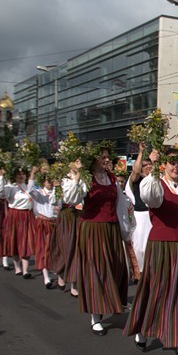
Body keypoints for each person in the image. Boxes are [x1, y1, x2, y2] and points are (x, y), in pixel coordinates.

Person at [125, 147, 178, 355]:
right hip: (162, 246)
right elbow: (149, 198)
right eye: (172, 163)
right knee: (157, 290)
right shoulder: (157, 185)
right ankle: (143, 328)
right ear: (164, 165)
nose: (176, 167)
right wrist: (152, 170)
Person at [63, 143, 130, 336]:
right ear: (94, 160)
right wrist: (77, 174)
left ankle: (112, 302)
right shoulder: (86, 179)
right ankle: (95, 316)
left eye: (108, 157)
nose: (108, 160)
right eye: (103, 157)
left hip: (111, 229)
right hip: (92, 229)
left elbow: (119, 205)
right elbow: (71, 198)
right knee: (96, 271)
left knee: (115, 267)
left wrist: (125, 230)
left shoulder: (111, 179)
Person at [51, 161, 84, 297]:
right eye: (76, 161)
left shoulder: (83, 178)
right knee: (65, 247)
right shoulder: (63, 179)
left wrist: (79, 177)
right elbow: (56, 199)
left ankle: (74, 284)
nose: (79, 164)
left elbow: (84, 195)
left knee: (77, 248)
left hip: (79, 215)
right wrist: (57, 187)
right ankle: (61, 273)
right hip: (66, 215)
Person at [124, 143, 155, 278]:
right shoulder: (136, 179)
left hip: (153, 215)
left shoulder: (154, 177)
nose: (148, 166)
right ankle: (139, 272)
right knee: (139, 248)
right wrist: (141, 151)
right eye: (145, 165)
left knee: (151, 246)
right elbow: (136, 171)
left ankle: (151, 272)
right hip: (140, 216)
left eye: (150, 164)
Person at [2, 166, 37, 278]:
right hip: (15, 215)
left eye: (23, 174)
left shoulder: (29, 187)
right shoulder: (11, 187)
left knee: (27, 241)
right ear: (15, 176)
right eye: (19, 174)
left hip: (27, 215)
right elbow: (6, 196)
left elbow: (35, 202)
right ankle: (17, 267)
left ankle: (25, 270)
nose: (21, 176)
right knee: (15, 241)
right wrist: (5, 177)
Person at [31, 171, 60, 289]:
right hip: (44, 222)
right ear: (43, 182)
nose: (51, 183)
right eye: (48, 181)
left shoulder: (57, 191)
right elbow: (30, 190)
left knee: (56, 249)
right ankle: (46, 276)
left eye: (52, 181)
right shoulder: (39, 193)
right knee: (44, 248)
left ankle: (56, 270)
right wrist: (33, 173)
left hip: (55, 222)